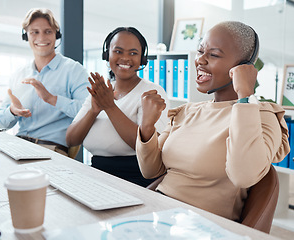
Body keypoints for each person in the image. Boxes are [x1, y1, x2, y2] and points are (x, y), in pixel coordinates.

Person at [136, 21, 290, 221]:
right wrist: (147, 126)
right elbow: (151, 171)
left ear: (244, 67)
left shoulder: (261, 116)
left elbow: (244, 175)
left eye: (214, 54)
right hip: (157, 213)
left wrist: (244, 95)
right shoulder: (187, 111)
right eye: (200, 51)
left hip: (200, 226)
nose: (200, 60)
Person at [66, 27, 169, 187]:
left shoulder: (151, 93)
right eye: (118, 51)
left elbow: (147, 147)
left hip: (134, 179)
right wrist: (94, 110)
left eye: (133, 53)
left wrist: (109, 107)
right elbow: (71, 139)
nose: (125, 58)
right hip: (96, 175)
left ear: (142, 59)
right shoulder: (101, 92)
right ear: (107, 55)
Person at [0, 8, 89, 156]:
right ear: (26, 36)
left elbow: (88, 111)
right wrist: (12, 111)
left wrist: (52, 99)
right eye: (34, 32)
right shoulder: (19, 74)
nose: (41, 37)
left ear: (56, 35)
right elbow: (0, 122)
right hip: (18, 145)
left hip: (51, 148)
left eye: (48, 31)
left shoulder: (74, 70)